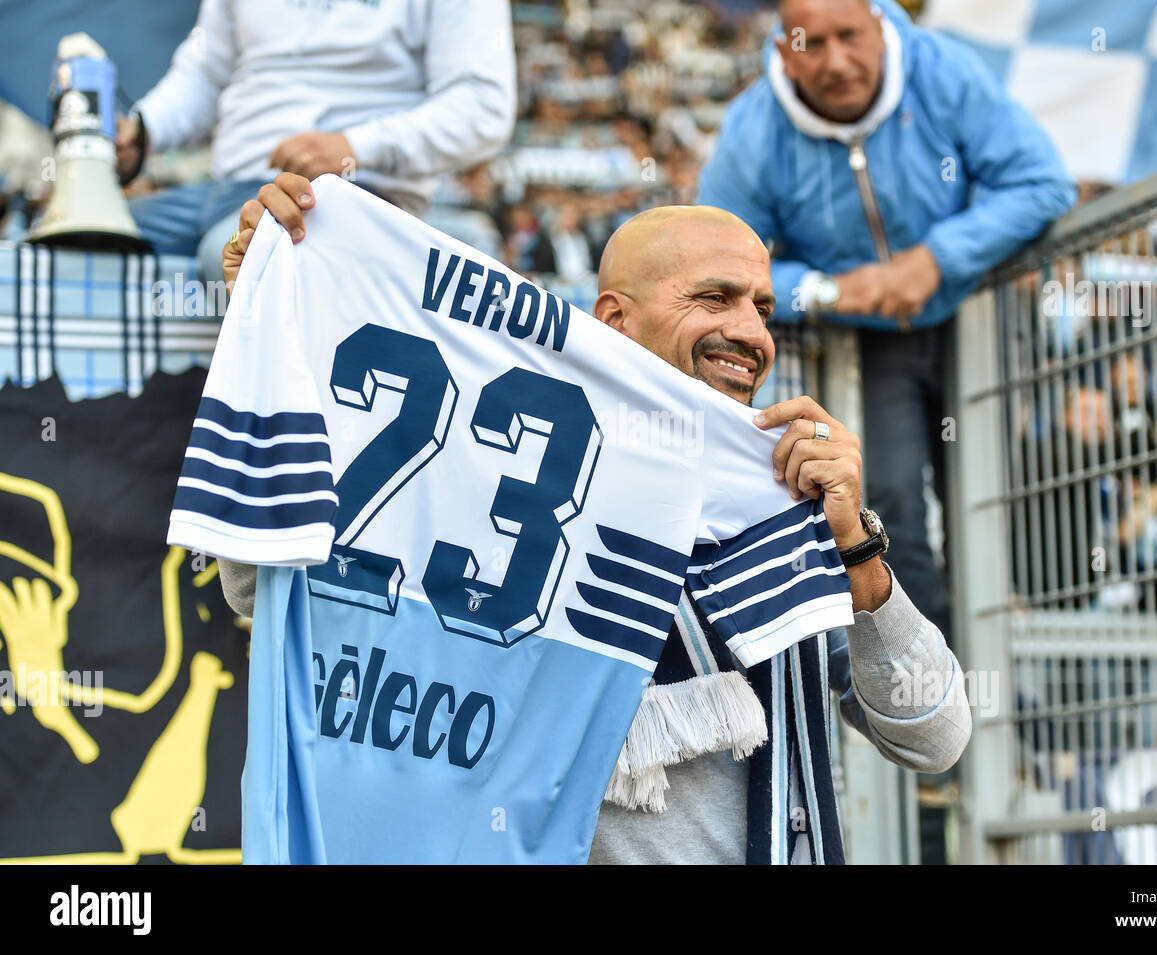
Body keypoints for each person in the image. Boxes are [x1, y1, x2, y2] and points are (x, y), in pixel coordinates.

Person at [213, 172, 971, 865]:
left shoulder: (784, 496)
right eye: (715, 298)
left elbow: (934, 736)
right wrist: (273, 322)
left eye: (762, 307)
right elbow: (267, 589)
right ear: (614, 318)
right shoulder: (505, 469)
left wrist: (857, 553)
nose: (752, 332)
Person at [696, 0, 1077, 646]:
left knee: (990, 499)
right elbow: (716, 260)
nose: (837, 61)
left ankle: (1000, 691)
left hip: (973, 313)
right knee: (892, 504)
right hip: (864, 338)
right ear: (783, 51)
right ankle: (929, 691)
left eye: (850, 35)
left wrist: (934, 261)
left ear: (881, 24)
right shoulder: (754, 128)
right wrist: (825, 288)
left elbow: (1042, 182)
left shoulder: (941, 71)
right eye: (812, 43)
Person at [115, 0, 516, 283]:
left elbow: (483, 103)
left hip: (353, 191)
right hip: (220, 192)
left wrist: (355, 147)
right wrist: (143, 130)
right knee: (67, 245)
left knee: (244, 258)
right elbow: (203, 71)